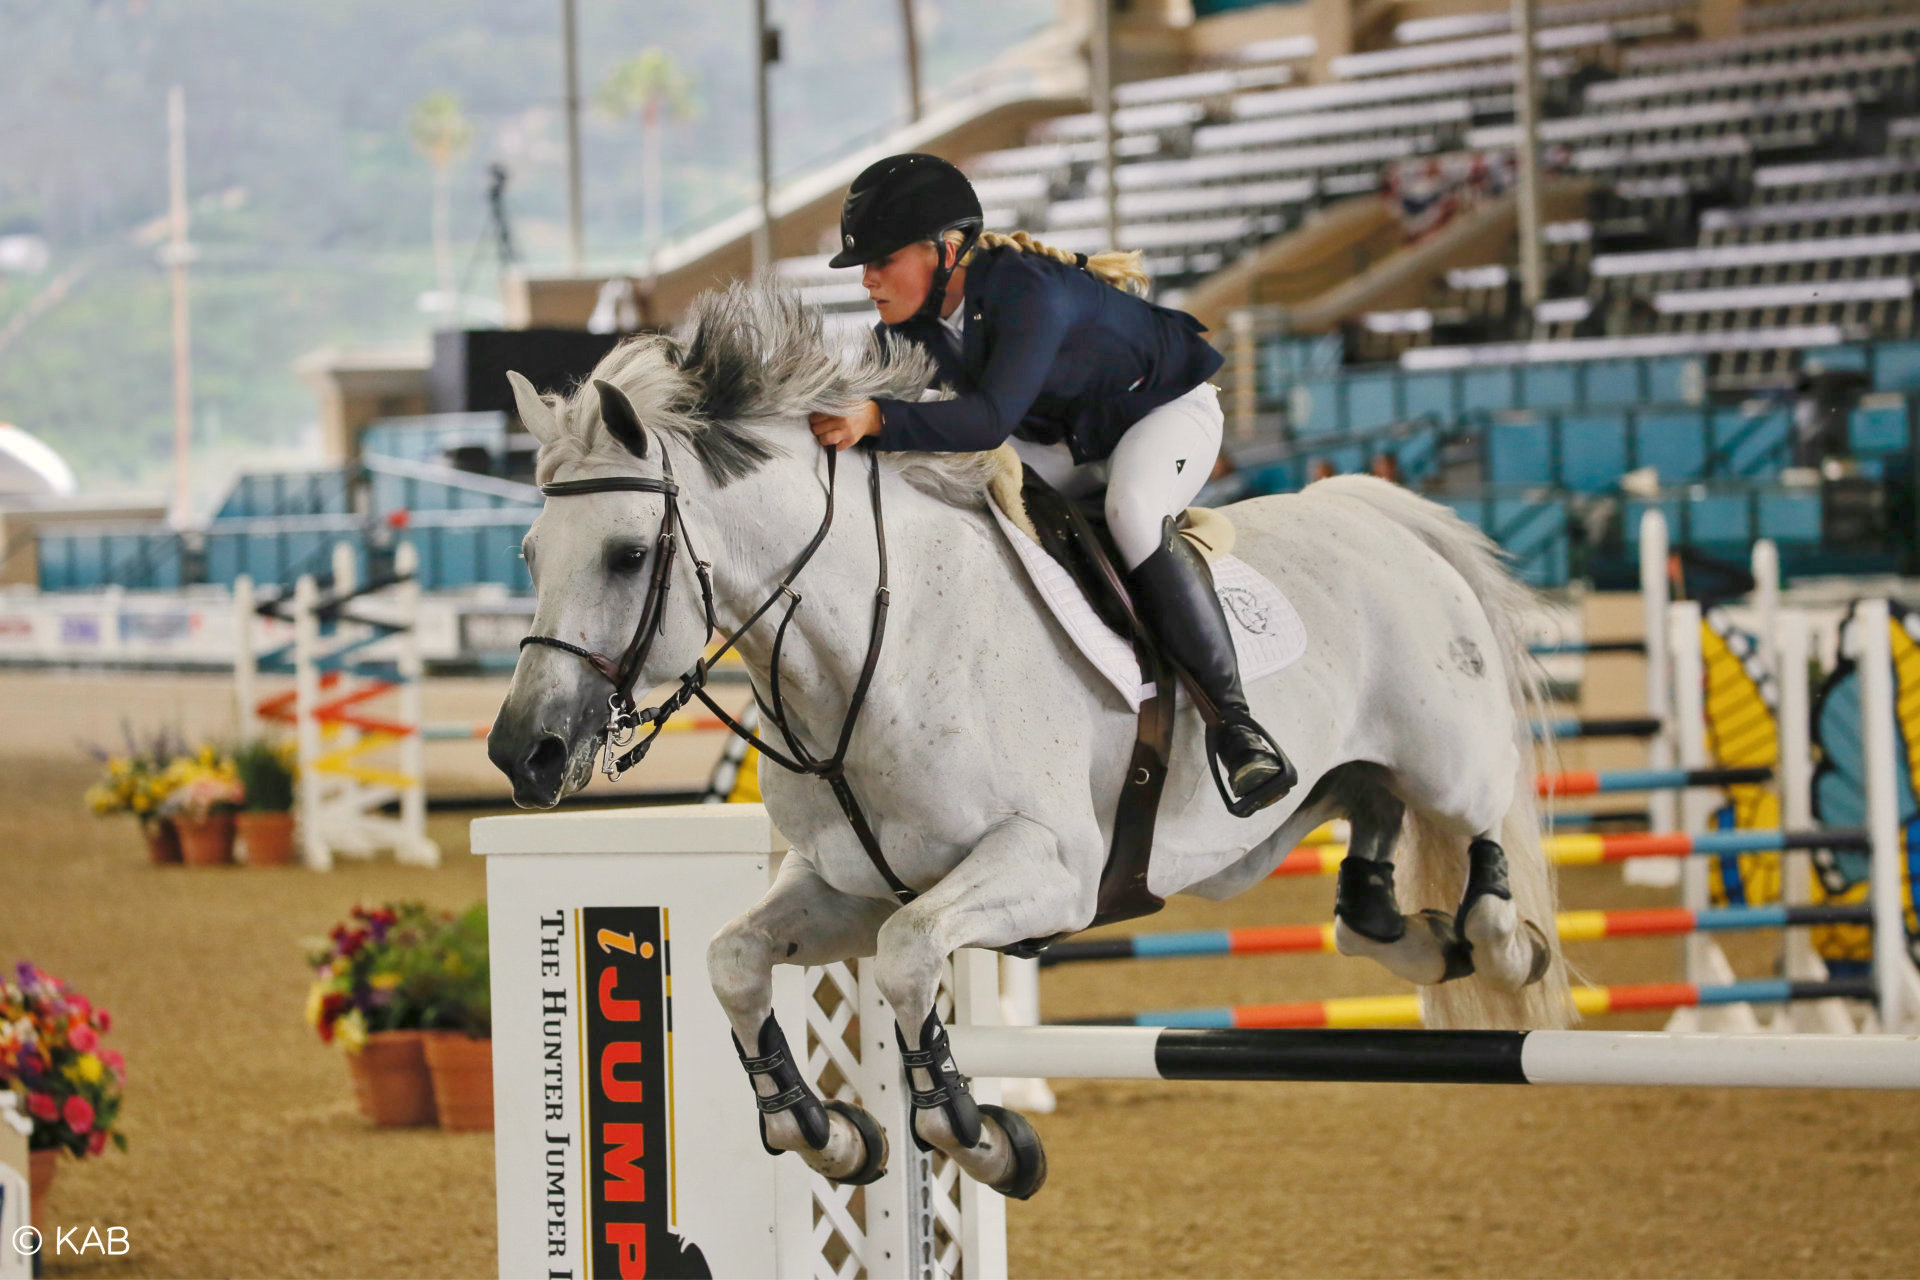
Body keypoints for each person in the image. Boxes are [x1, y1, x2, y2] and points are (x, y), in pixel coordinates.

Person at [807, 153, 1294, 814]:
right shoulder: (911, 327)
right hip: (1067, 438)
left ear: (946, 250)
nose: (867, 280)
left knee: (1130, 508)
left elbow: (987, 421)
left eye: (881, 261)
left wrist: (877, 417)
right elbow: (853, 391)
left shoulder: (1026, 291)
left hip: (1161, 414)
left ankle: (1236, 727)